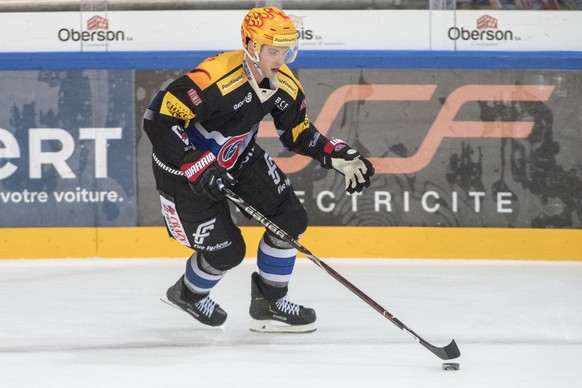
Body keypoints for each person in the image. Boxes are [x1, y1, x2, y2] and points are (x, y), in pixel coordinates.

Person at [143, 6, 374, 333]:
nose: (281, 59)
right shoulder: (212, 79)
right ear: (251, 45)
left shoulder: (284, 82)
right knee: (227, 252)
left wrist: (332, 152)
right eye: (274, 50)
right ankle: (188, 293)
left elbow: (297, 133)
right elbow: (159, 120)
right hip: (184, 173)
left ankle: (270, 303)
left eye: (287, 50)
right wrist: (193, 162)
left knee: (290, 219)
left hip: (237, 156)